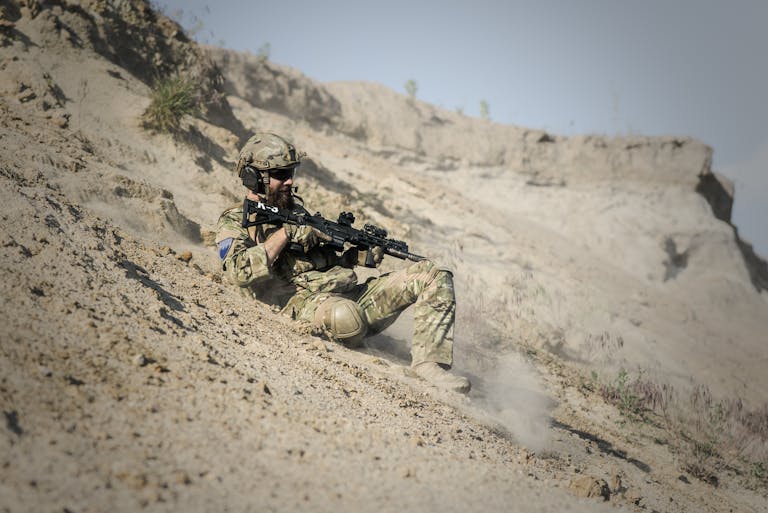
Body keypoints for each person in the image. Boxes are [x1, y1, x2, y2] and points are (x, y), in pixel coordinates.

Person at [215, 132, 470, 393]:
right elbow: (239, 272)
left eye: (291, 172)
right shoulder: (234, 221)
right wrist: (285, 233)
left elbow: (316, 263)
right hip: (304, 303)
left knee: (434, 274)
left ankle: (429, 365)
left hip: (348, 294)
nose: (290, 181)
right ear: (253, 177)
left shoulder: (297, 212)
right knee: (346, 317)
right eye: (281, 174)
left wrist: (351, 258)